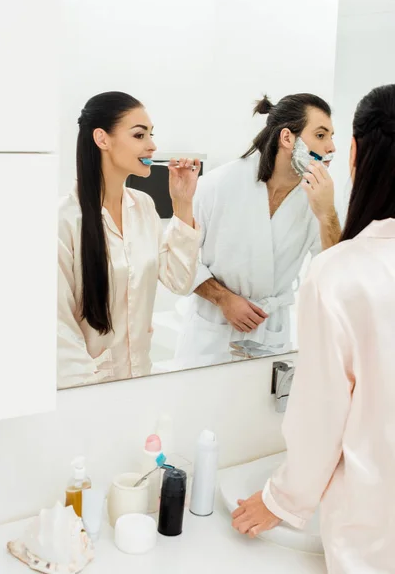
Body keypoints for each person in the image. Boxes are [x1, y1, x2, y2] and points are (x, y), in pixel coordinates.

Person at [231, 84, 395, 573]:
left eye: (330, 135)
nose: (322, 146)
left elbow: (322, 417)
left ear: (353, 153)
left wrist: (281, 500)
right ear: (287, 139)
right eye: (315, 133)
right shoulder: (223, 186)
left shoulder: (342, 267)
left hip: (373, 530)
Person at [175, 93, 341, 361]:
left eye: (332, 136)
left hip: (271, 332)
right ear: (288, 138)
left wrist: (327, 214)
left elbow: (336, 272)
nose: (332, 147)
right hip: (212, 332)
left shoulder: (318, 197)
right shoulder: (217, 185)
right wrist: (223, 299)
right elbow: (179, 260)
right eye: (321, 136)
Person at [58, 91, 201, 388]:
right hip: (85, 388)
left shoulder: (144, 206)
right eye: (139, 135)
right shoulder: (64, 220)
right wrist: (89, 389)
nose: (152, 145)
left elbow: (180, 281)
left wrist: (183, 204)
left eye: (151, 134)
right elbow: (58, 328)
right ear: (102, 139)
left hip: (140, 380)